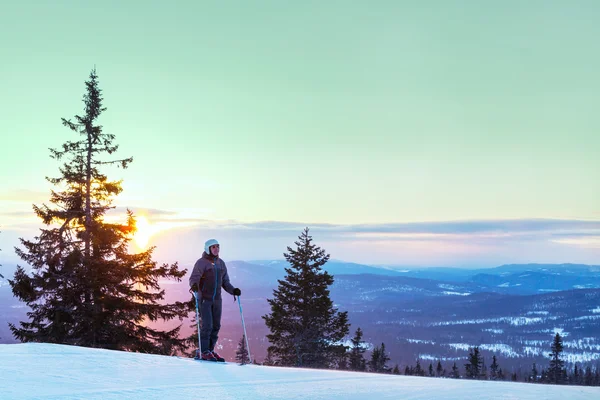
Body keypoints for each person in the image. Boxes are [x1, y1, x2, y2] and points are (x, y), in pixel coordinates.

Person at [189, 238, 241, 362]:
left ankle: (210, 350)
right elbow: (193, 278)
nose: (216, 249)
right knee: (207, 325)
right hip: (205, 300)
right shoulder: (201, 263)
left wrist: (233, 291)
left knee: (216, 326)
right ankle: (203, 351)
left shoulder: (221, 263)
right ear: (208, 249)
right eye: (213, 247)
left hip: (217, 300)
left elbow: (225, 282)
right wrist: (194, 286)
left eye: (218, 246)